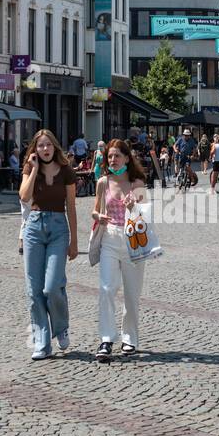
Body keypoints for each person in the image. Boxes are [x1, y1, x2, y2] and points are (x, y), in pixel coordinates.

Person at [18, 130, 78, 360]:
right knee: (34, 291)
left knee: (51, 287)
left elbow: (71, 207)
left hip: (58, 228)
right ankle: (42, 343)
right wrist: (33, 170)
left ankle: (61, 327)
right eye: (41, 146)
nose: (45, 150)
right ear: (35, 149)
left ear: (55, 147)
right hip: (33, 227)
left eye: (48, 146)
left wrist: (74, 242)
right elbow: (24, 197)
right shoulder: (29, 169)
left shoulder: (66, 171)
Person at [91, 140, 150, 363]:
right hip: (109, 236)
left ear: (127, 158)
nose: (113, 160)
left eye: (117, 156)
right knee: (106, 288)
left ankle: (130, 338)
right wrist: (98, 216)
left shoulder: (137, 183)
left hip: (133, 239)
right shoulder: (103, 182)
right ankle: (106, 338)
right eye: (110, 156)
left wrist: (133, 207)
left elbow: (146, 215)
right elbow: (95, 209)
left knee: (132, 293)